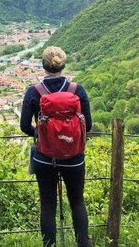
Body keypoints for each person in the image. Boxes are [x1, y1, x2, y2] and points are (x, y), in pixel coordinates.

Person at [20, 46, 92, 247]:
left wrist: (43, 135)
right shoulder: (77, 90)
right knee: (77, 201)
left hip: (44, 157)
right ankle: (83, 244)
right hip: (74, 157)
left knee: (48, 205)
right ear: (63, 65)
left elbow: (24, 125)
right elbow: (89, 125)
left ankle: (49, 245)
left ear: (43, 65)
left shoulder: (34, 92)